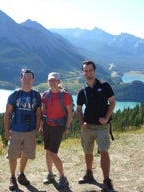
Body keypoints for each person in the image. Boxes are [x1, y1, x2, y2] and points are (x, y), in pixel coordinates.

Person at [76, 60, 116, 192]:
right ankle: (89, 174)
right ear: (83, 73)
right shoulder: (83, 91)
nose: (88, 72)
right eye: (86, 70)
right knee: (88, 152)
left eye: (90, 70)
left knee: (104, 151)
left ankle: (106, 180)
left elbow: (112, 102)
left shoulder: (104, 86)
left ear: (94, 71)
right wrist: (82, 123)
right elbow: (79, 109)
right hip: (87, 127)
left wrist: (106, 118)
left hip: (101, 127)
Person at [4, 69, 42, 191]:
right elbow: (8, 114)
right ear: (21, 79)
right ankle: (12, 177)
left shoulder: (36, 95)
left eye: (29, 78)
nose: (27, 80)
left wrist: (36, 128)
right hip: (15, 130)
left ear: (33, 80)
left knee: (26, 153)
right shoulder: (14, 95)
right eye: (24, 78)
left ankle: (21, 174)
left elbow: (38, 114)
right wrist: (6, 130)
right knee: (12, 155)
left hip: (30, 131)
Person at [39, 72, 73, 190]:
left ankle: (63, 177)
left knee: (53, 153)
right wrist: (41, 126)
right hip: (47, 125)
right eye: (50, 80)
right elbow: (44, 112)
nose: (52, 83)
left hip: (59, 126)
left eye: (54, 80)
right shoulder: (45, 95)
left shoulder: (65, 95)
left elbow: (70, 112)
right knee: (48, 151)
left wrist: (67, 127)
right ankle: (50, 174)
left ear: (59, 82)